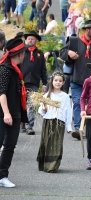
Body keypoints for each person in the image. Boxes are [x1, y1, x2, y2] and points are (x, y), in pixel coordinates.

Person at [59, 20, 91, 139]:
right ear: (87, 30)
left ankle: (89, 128)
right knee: (78, 103)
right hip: (76, 79)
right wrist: (69, 52)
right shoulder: (75, 41)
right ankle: (79, 129)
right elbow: (61, 52)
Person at [0, 38, 27, 188]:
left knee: (10, 145)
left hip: (15, 113)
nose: (24, 56)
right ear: (19, 54)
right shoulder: (4, 69)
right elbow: (1, 93)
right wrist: (6, 114)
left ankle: (2, 176)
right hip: (4, 113)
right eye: (23, 53)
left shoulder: (16, 70)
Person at [37, 71, 72, 173]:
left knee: (56, 143)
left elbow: (68, 112)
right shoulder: (47, 95)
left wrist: (68, 127)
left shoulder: (65, 96)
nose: (58, 82)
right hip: (48, 122)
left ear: (63, 83)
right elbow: (40, 111)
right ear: (51, 81)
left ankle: (53, 166)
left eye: (60, 81)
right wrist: (44, 109)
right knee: (47, 142)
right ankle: (45, 164)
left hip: (59, 123)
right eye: (56, 80)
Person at [20, 31, 47, 135]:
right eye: (28, 39)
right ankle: (22, 123)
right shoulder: (22, 52)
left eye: (32, 39)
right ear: (26, 40)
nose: (30, 40)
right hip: (22, 82)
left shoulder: (40, 54)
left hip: (34, 82)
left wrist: (44, 83)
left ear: (36, 40)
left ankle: (29, 126)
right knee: (21, 104)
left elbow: (43, 70)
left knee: (31, 104)